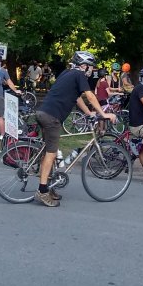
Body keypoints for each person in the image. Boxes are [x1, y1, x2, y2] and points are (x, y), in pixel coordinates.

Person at [34, 50, 117, 207]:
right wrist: (103, 114)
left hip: (43, 112)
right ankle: (42, 191)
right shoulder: (79, 74)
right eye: (91, 66)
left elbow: (77, 97)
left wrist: (89, 113)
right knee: (51, 153)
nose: (92, 70)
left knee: (48, 152)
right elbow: (90, 96)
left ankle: (49, 187)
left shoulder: (67, 73)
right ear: (84, 66)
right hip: (52, 117)